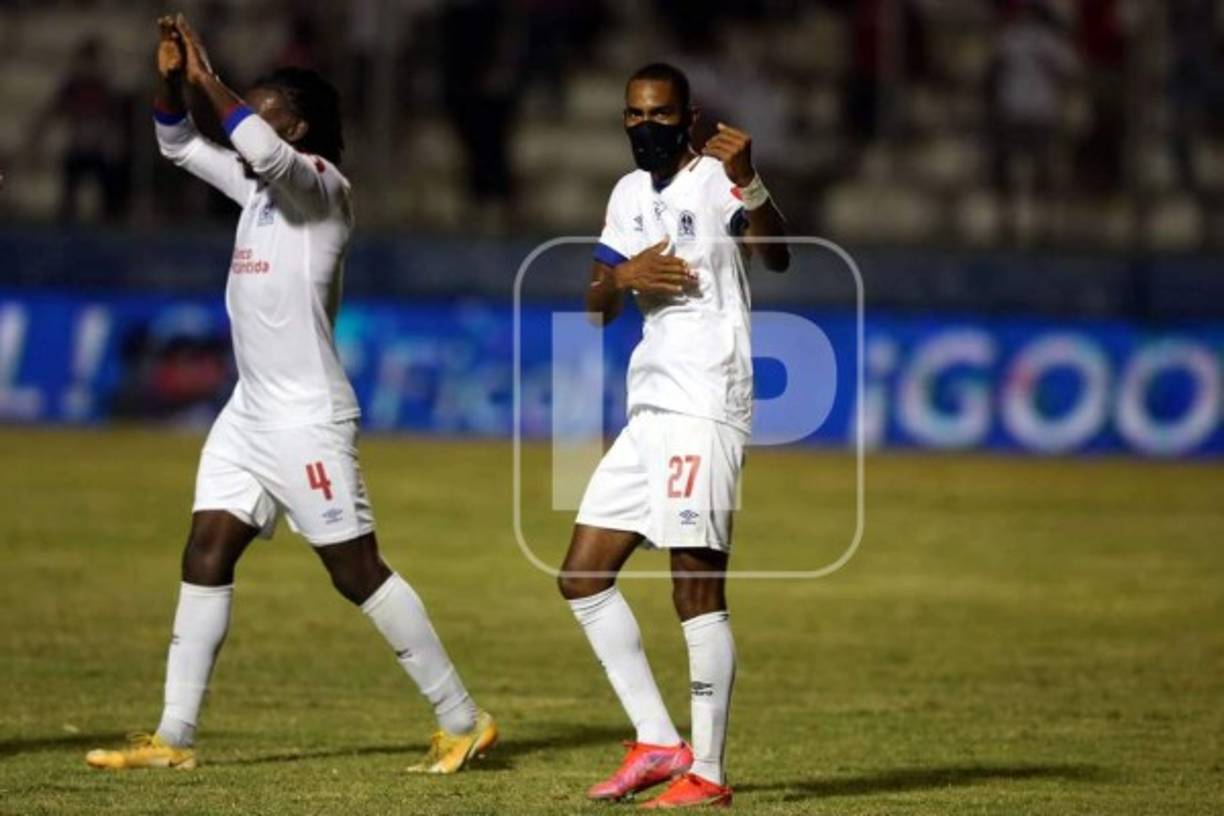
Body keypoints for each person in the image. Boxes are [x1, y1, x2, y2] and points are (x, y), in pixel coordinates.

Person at [85, 15, 496, 774]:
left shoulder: (324, 191)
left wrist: (211, 78)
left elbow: (265, 152)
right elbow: (176, 144)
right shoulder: (257, 193)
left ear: (297, 126)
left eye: (264, 108)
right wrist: (172, 80)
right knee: (206, 548)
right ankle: (172, 739)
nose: (247, 120)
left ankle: (462, 718)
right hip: (250, 413)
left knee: (355, 571)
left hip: (308, 417)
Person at [557, 62, 790, 809]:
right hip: (650, 408)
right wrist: (623, 276)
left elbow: (777, 254)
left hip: (706, 399)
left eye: (659, 115)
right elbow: (595, 307)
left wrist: (751, 184)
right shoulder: (629, 195)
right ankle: (659, 742)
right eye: (633, 115)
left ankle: (711, 775)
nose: (644, 127)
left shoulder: (716, 178)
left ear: (688, 118)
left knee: (694, 586)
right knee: (582, 576)